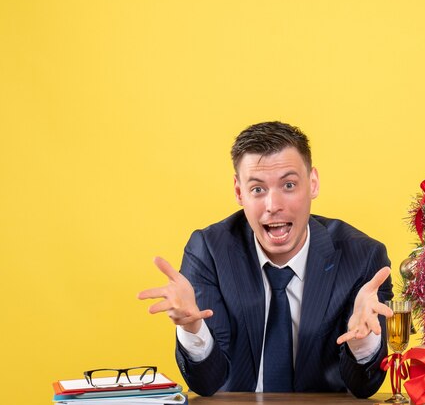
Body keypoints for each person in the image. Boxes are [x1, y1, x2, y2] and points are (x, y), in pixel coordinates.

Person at [138, 121, 394, 398]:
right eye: (258, 189)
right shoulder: (209, 251)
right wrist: (192, 328)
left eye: (289, 185)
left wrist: (364, 340)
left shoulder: (363, 257)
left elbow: (364, 386)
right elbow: (206, 383)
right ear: (239, 193)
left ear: (313, 184)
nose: (273, 205)